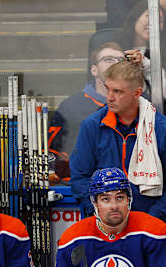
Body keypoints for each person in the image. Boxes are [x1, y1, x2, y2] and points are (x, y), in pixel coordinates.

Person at [69, 60, 166, 237]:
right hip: (105, 228)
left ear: (136, 93)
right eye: (108, 89)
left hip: (152, 228)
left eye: (117, 91)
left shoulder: (161, 127)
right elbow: (80, 178)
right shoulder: (91, 126)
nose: (109, 97)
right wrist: (103, 216)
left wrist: (151, 220)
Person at [46, 167, 166, 267]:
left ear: (129, 200)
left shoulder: (153, 231)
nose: (114, 206)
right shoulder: (74, 237)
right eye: (106, 199)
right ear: (95, 203)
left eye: (120, 197)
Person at [48, 42, 125, 184]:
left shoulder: (137, 105)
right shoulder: (70, 107)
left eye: (121, 60)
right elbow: (53, 156)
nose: (116, 63)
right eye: (108, 59)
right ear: (94, 70)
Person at [116, 0, 166, 100]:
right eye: (148, 16)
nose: (153, 23)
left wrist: (147, 65)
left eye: (159, 20)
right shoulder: (118, 49)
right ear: (135, 18)